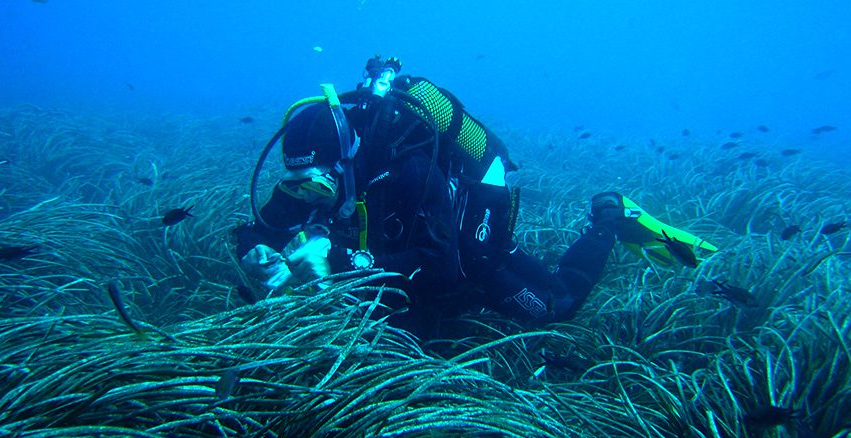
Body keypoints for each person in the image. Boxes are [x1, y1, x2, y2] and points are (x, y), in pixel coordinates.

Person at [235, 56, 714, 337]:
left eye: (320, 184)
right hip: (403, 228)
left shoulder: (410, 169)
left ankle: (611, 217)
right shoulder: (321, 170)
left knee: (547, 306)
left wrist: (342, 260)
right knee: (397, 317)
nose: (312, 197)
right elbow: (260, 228)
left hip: (470, 212)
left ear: (347, 157)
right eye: (304, 185)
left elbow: (440, 265)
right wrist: (256, 251)